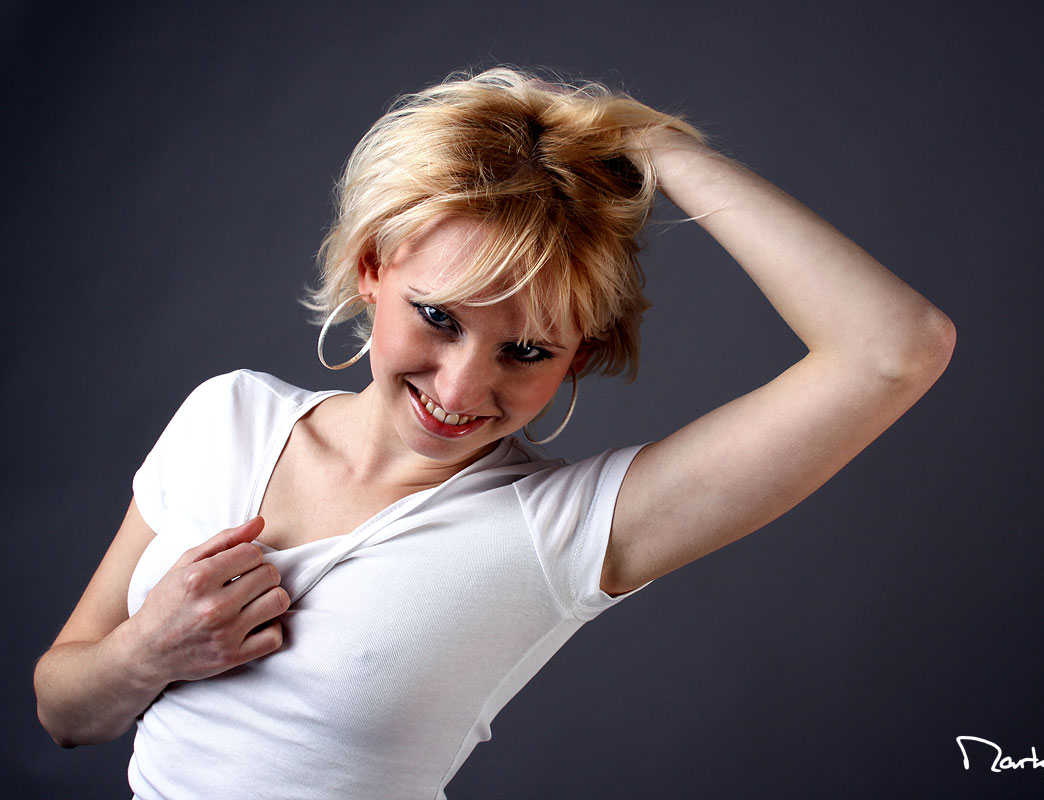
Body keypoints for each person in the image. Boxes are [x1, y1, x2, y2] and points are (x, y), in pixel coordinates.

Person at [33, 68, 955, 798]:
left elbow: (894, 350)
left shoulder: (557, 531)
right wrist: (146, 653)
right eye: (438, 317)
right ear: (371, 268)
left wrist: (647, 140)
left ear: (579, 358)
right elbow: (65, 712)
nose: (462, 388)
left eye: (526, 350)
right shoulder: (225, 415)